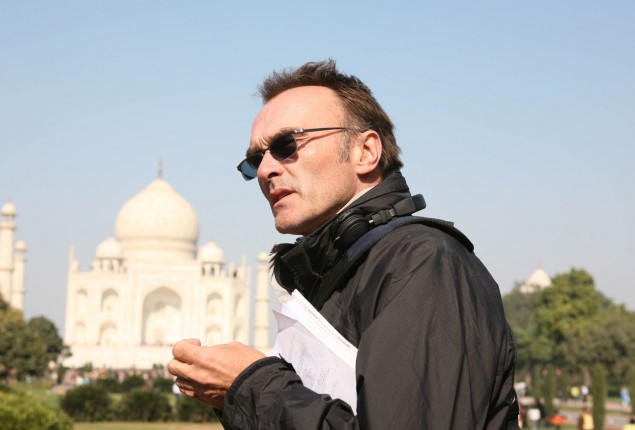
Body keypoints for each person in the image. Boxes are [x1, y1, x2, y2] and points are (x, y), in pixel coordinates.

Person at [168, 59, 519, 429]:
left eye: (287, 145)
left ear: (365, 152)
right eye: (256, 160)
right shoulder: (341, 275)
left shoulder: (421, 264)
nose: (266, 170)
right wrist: (237, 395)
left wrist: (252, 385)